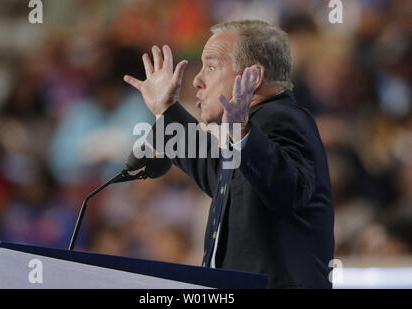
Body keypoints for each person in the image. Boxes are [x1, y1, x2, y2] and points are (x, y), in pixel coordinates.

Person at [124, 20, 334, 289]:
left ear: (252, 77)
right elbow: (215, 171)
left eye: (211, 67)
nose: (197, 80)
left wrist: (243, 132)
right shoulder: (249, 131)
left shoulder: (281, 118)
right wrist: (165, 109)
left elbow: (287, 189)